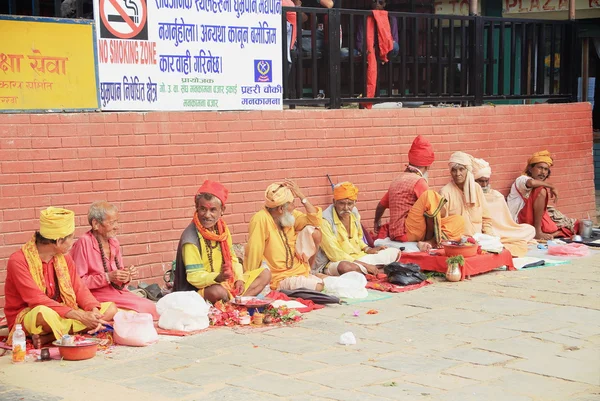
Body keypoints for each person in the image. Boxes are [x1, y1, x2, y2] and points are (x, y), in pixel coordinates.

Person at [4, 207, 117, 348]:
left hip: (64, 311)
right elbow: (36, 300)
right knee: (43, 313)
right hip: (31, 314)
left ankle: (50, 336)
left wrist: (93, 310)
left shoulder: (65, 259)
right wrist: (80, 316)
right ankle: (75, 329)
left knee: (110, 308)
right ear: (58, 241)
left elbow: (79, 288)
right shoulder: (18, 260)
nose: (72, 242)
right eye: (70, 238)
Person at [174, 180, 271, 304]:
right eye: (203, 209)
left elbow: (233, 259)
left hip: (226, 283)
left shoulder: (222, 230)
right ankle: (235, 302)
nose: (207, 215)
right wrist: (217, 277)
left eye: (213, 210)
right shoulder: (191, 238)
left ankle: (232, 302)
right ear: (196, 208)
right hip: (198, 290)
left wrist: (239, 280)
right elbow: (194, 277)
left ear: (222, 210)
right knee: (218, 292)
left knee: (265, 274)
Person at [374, 135, 464, 251]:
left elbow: (381, 206)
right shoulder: (419, 181)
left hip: (396, 232)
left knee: (458, 220)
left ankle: (429, 240)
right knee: (431, 197)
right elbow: (434, 211)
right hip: (410, 232)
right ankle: (430, 242)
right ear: (427, 166)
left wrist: (377, 221)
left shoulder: (396, 180)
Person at [71, 201, 159, 319]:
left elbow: (118, 275)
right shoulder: (84, 242)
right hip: (94, 295)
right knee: (141, 312)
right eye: (112, 222)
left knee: (150, 307)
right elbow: (78, 282)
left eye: (117, 222)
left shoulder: (114, 242)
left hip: (116, 292)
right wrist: (108, 277)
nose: (117, 226)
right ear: (95, 224)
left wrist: (126, 275)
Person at [245, 180, 324, 291]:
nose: (294, 206)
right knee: (320, 287)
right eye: (292, 203)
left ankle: (309, 274)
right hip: (279, 278)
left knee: (315, 231)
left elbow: (315, 221)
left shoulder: (289, 217)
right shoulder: (261, 219)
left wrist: (302, 196)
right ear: (281, 209)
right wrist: (252, 281)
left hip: (298, 270)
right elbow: (254, 251)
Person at [314, 182, 400, 276]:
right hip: (336, 262)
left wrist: (367, 249)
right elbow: (335, 255)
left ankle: (369, 271)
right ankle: (376, 271)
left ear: (355, 202)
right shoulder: (324, 221)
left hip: (359, 257)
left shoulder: (354, 212)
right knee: (346, 267)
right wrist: (365, 265)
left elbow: (358, 238)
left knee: (394, 252)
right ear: (334, 202)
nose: (346, 208)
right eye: (341, 204)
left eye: (350, 204)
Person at [506, 151, 577, 240]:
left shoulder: (540, 183)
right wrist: (551, 186)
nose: (543, 172)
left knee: (573, 226)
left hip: (532, 219)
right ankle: (538, 232)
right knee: (541, 191)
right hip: (519, 219)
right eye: (540, 168)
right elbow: (531, 183)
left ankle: (549, 234)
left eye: (546, 169)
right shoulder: (522, 179)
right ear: (530, 169)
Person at [473, 158, 536, 257]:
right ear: (473, 181)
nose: (484, 185)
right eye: (481, 181)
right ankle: (494, 241)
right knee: (481, 239)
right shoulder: (472, 197)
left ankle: (497, 241)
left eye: (486, 181)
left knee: (530, 229)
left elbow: (507, 222)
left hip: (505, 232)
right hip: (486, 233)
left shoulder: (497, 195)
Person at [440, 152, 494, 237]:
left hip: (480, 240)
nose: (458, 174)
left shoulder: (476, 188)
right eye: (454, 170)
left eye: (461, 169)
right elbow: (441, 225)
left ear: (468, 170)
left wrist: (490, 237)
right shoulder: (445, 193)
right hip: (457, 242)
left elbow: (486, 219)